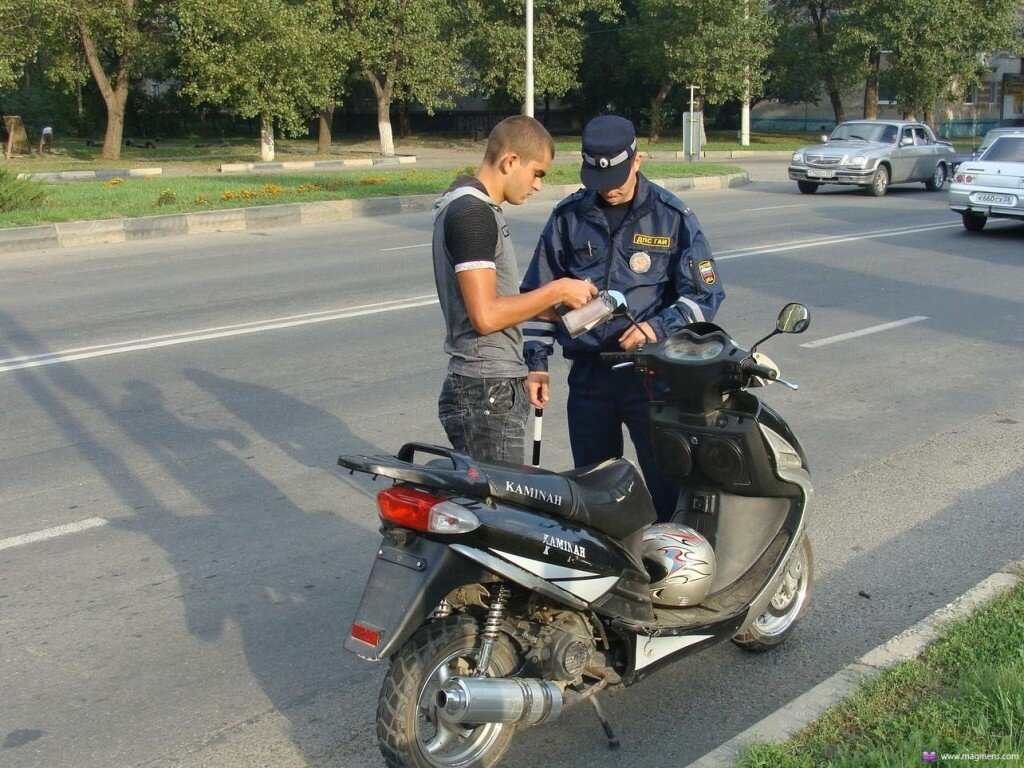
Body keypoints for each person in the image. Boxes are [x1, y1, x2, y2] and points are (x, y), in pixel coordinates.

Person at [520, 115, 725, 521]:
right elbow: (539, 297)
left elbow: (704, 295)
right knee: (594, 491)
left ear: (638, 160)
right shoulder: (568, 217)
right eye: (599, 180)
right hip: (589, 378)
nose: (608, 188)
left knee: (668, 484)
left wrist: (654, 328)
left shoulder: (672, 217)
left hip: (651, 377)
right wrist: (537, 365)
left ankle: (672, 569)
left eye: (617, 176)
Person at [431, 115, 597, 464]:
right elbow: (485, 315)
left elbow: (489, 303)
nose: (538, 185)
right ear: (510, 161)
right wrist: (555, 291)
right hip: (485, 388)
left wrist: (541, 310)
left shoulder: (468, 204)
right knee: (500, 513)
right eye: (538, 173)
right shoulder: (472, 214)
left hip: (487, 385)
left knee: (489, 508)